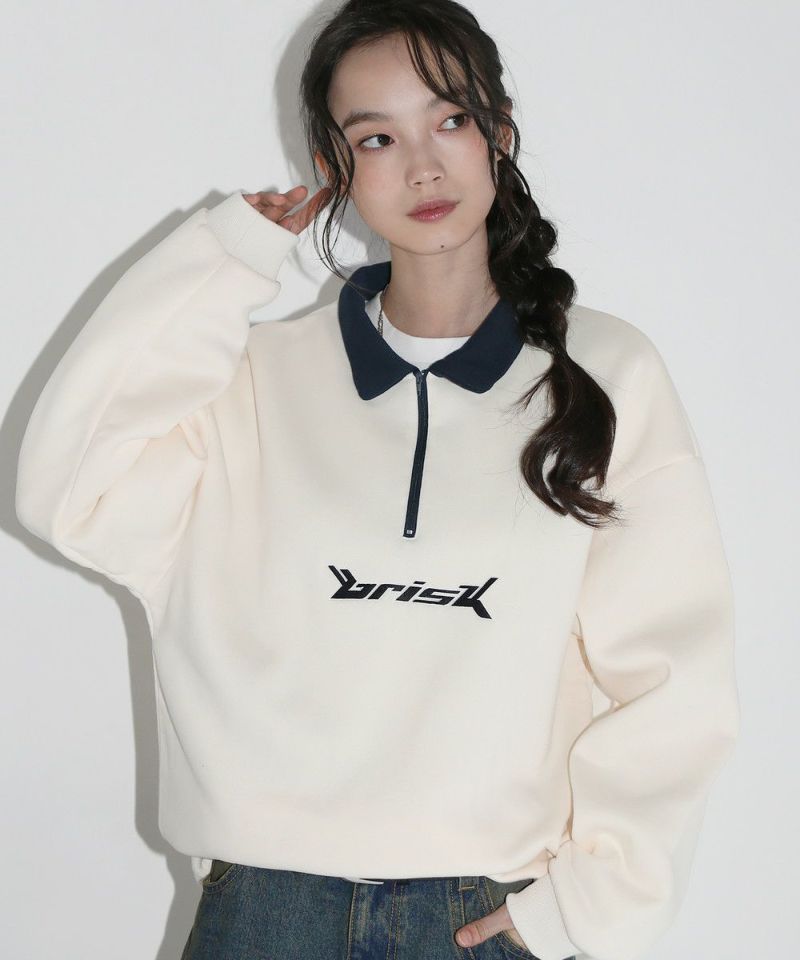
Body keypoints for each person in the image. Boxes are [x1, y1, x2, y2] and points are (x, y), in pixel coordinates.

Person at [15, 0, 741, 958]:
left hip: (484, 919)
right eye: (377, 137)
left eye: (450, 120)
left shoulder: (605, 376)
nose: (423, 167)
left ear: (499, 132)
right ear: (337, 164)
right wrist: (224, 261)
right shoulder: (252, 382)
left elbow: (676, 675)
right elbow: (67, 490)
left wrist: (587, 905)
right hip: (264, 915)